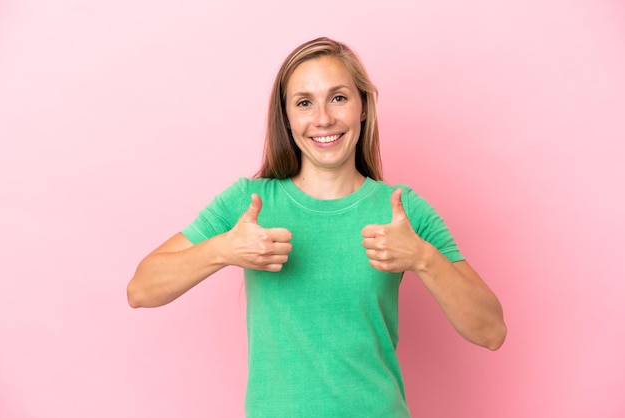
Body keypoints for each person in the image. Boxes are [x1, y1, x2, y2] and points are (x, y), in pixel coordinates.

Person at [127, 37, 506, 417]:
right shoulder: (250, 202)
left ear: (362, 107)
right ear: (287, 117)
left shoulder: (401, 210)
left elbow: (491, 331)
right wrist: (222, 249)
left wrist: (423, 258)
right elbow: (141, 290)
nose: (323, 118)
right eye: (304, 102)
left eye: (338, 98)